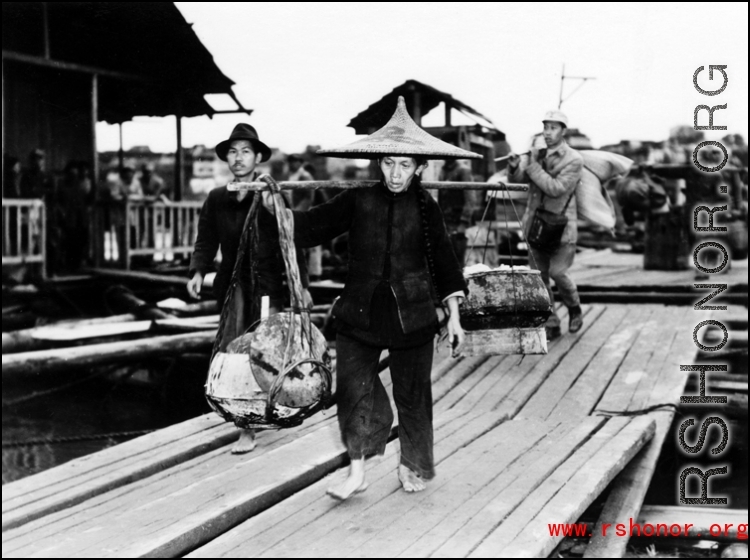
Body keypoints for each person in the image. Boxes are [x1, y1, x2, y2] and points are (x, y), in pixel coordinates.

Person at [264, 97, 473, 500]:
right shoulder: (358, 199)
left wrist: (456, 318)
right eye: (389, 163)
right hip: (359, 313)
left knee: (413, 396)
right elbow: (309, 228)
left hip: (412, 316)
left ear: (419, 167)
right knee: (353, 390)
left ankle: (415, 463)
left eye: (405, 165)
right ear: (379, 163)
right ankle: (357, 471)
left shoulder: (426, 208)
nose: (396, 174)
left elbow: (446, 265)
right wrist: (277, 207)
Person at [187, 123, 309, 454]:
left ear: (257, 158)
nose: (238, 158)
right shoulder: (217, 197)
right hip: (233, 285)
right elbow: (206, 239)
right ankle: (243, 422)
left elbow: (292, 242)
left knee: (264, 350)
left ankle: (259, 419)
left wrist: (304, 286)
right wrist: (198, 271)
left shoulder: (272, 193)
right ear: (227, 157)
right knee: (233, 351)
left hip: (268, 283)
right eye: (233, 151)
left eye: (245, 152)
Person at [507, 110, 584, 340]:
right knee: (539, 277)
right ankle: (551, 322)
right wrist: (514, 168)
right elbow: (519, 182)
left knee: (559, 273)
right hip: (536, 226)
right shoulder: (537, 155)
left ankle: (574, 307)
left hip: (562, 229)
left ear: (563, 131)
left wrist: (531, 164)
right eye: (546, 127)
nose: (548, 132)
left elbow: (555, 188)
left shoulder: (574, 160)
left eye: (553, 128)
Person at [437, 158, 481, 265]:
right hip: (445, 222)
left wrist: (463, 222)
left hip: (457, 222)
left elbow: (470, 199)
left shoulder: (463, 170)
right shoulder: (443, 170)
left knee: (457, 261)